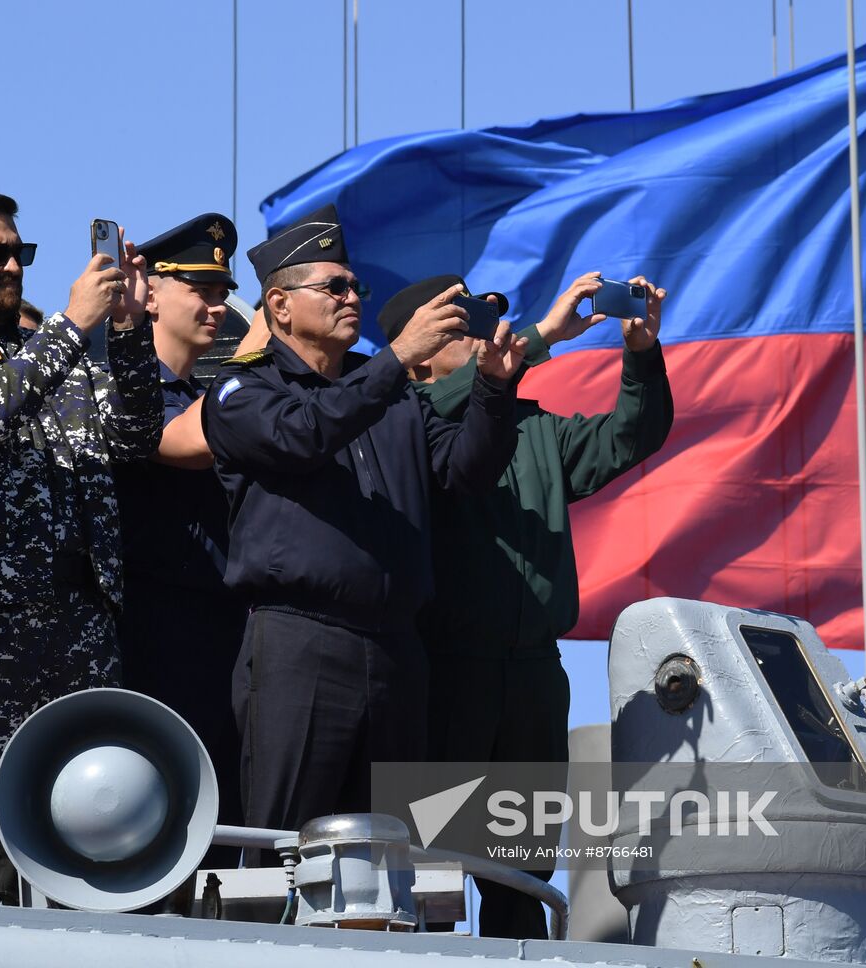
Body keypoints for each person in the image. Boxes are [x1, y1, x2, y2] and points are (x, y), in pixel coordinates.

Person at [201, 204, 525, 846]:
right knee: (284, 848)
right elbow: (304, 435)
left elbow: (461, 472)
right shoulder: (242, 392)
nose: (352, 297)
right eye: (334, 287)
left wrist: (492, 390)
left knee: (395, 858)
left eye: (356, 287)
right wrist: (398, 357)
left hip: (397, 651)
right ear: (280, 305)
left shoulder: (391, 393)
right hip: (300, 645)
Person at [378, 270, 673, 940]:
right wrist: (542, 338)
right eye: (464, 325)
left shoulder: (531, 427)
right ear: (419, 352)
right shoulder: (401, 425)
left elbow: (631, 435)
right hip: (448, 673)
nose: (487, 332)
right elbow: (425, 416)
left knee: (522, 874)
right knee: (432, 873)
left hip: (534, 678)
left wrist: (642, 352)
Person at [0, 185, 162, 902]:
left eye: (21, 253)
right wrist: (75, 326)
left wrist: (132, 332)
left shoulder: (59, 353)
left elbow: (136, 436)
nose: (13, 268)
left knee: (81, 824)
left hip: (80, 629)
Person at [114, 212, 249, 871]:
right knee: (153, 834)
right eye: (201, 288)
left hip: (220, 638)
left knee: (223, 839)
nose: (217, 305)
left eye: (223, 291)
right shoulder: (119, 385)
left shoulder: (207, 393)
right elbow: (174, 442)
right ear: (153, 290)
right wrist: (262, 376)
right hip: (152, 635)